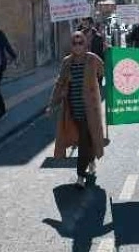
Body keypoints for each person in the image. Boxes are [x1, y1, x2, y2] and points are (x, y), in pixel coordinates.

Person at [47, 31, 106, 188]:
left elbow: (105, 71)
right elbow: (59, 83)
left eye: (81, 43)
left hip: (91, 109)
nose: (78, 46)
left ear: (85, 44)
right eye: (75, 43)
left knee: (85, 138)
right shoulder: (67, 62)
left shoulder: (93, 59)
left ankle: (80, 175)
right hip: (74, 108)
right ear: (71, 45)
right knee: (83, 139)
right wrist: (51, 104)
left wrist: (99, 85)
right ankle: (90, 160)